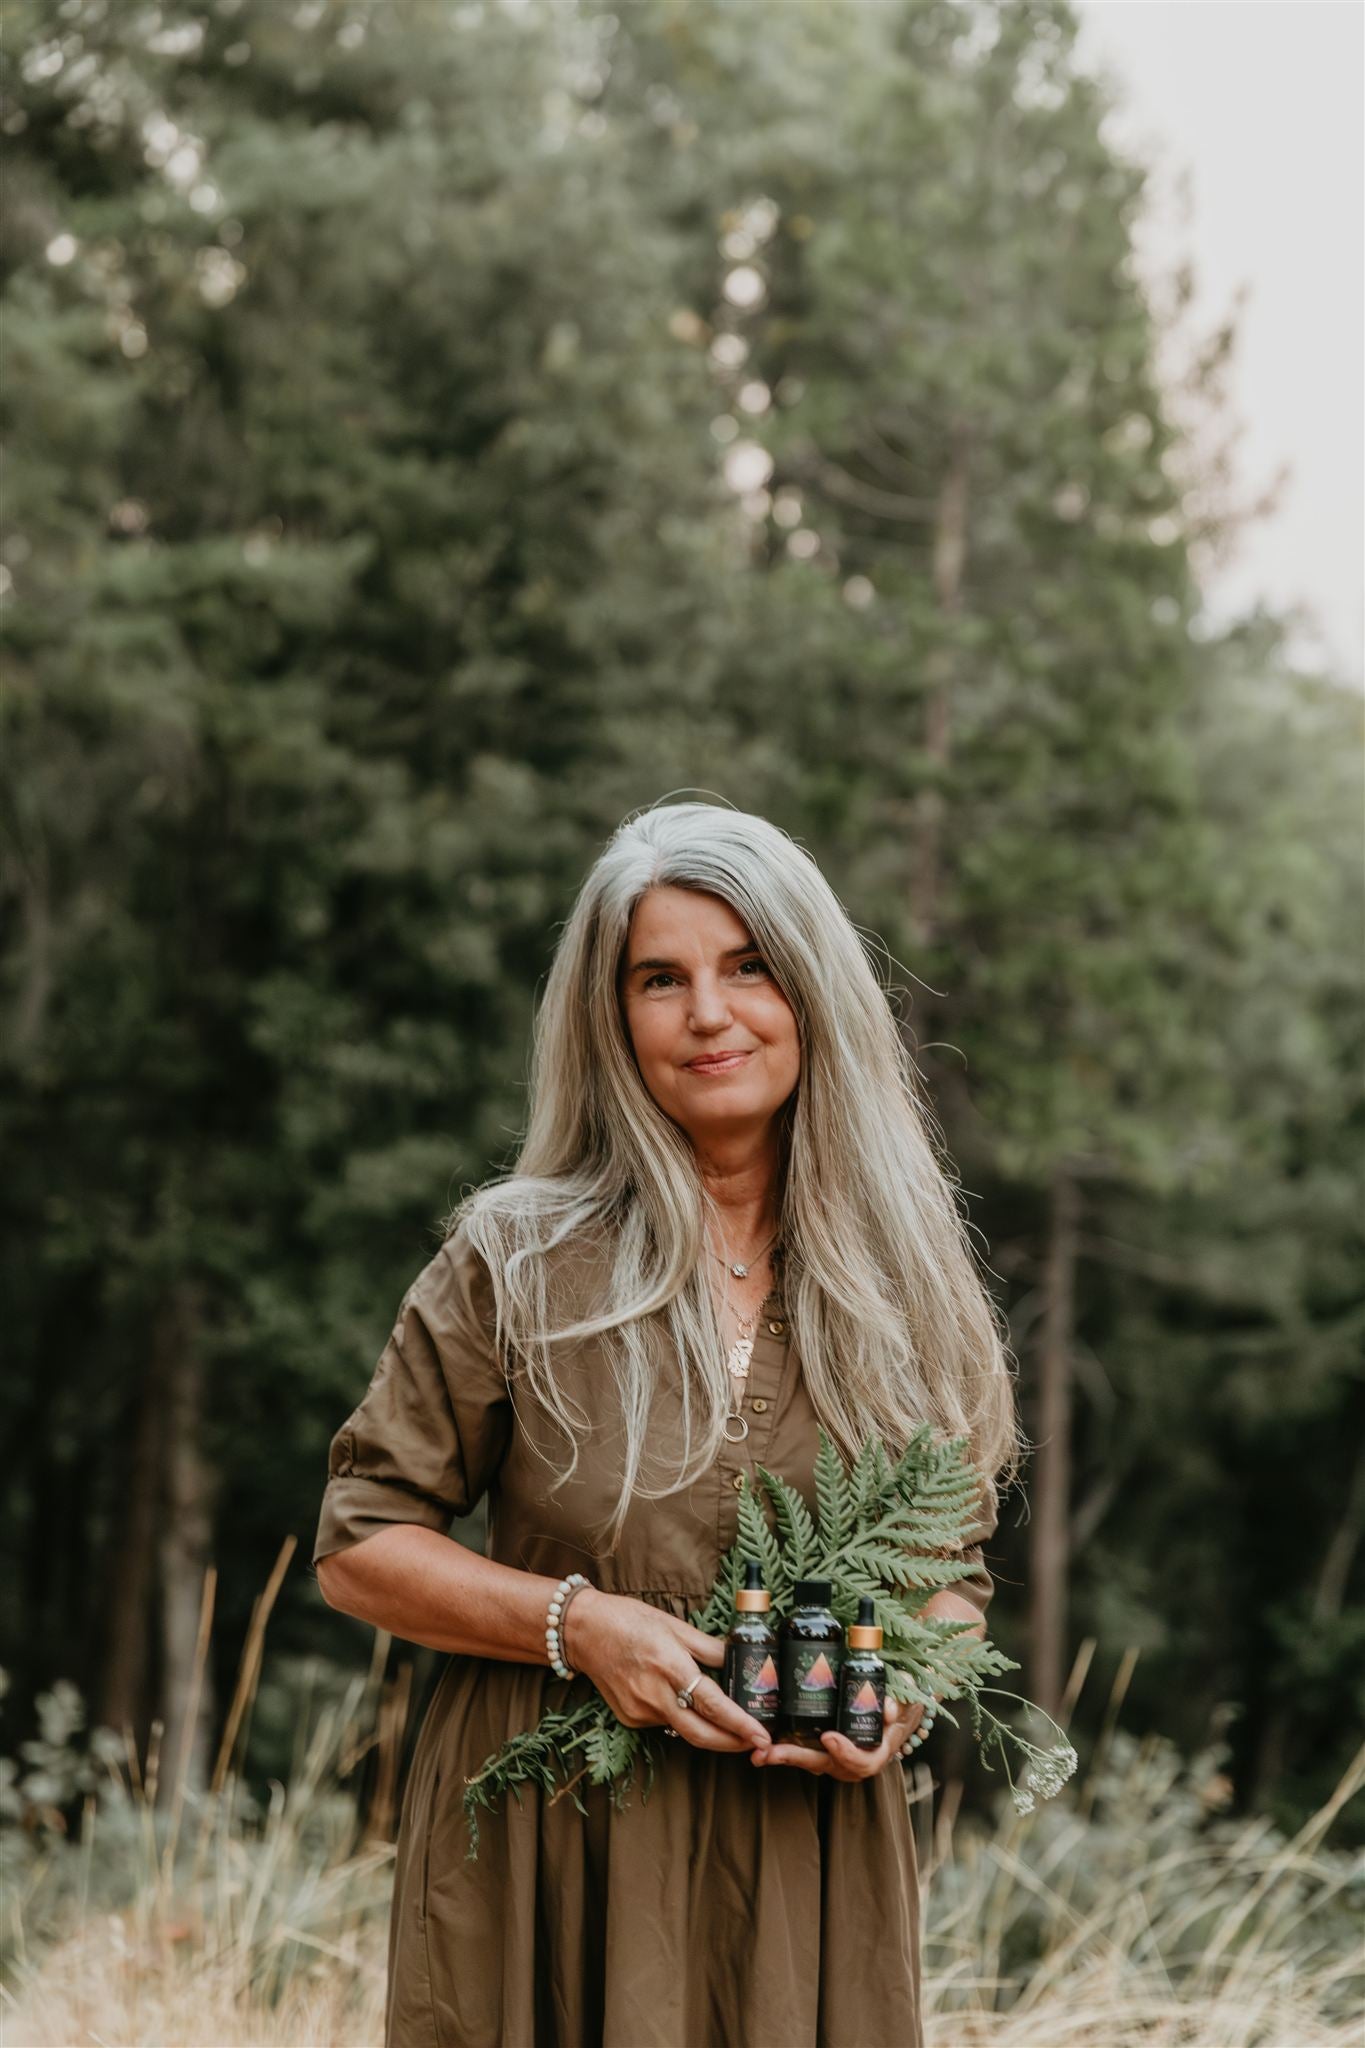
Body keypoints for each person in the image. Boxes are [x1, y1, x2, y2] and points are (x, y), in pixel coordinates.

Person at [312, 798, 1023, 2048]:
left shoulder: (910, 1286)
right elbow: (361, 1539)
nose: (709, 1012)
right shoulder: (518, 1258)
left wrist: (900, 1694)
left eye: (749, 965)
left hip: (801, 1869)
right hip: (545, 1849)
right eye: (660, 977)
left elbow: (950, 1581)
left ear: (812, 991)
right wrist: (578, 1626)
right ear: (611, 1015)